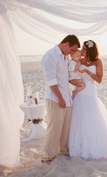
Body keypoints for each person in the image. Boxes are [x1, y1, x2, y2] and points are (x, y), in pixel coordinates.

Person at [69, 40, 107, 160]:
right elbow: (70, 74)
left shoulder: (98, 62)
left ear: (89, 50)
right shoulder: (79, 60)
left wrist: (87, 71)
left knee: (92, 117)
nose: (81, 51)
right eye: (81, 48)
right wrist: (72, 82)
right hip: (80, 91)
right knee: (79, 117)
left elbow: (99, 79)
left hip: (91, 91)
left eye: (84, 49)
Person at [41, 35, 80, 165]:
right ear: (66, 44)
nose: (72, 53)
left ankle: (63, 150)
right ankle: (48, 155)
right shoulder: (50, 55)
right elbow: (50, 80)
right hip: (56, 98)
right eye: (72, 50)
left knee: (65, 127)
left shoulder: (64, 56)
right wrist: (60, 98)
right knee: (54, 127)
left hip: (66, 97)